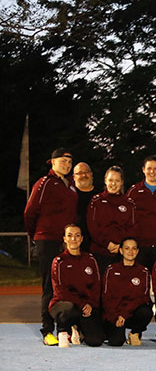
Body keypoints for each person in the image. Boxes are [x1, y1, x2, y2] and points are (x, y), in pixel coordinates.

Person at [24, 148, 78, 345]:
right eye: (62, 161)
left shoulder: (70, 186)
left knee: (68, 284)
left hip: (66, 242)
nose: (66, 165)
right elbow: (29, 212)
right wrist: (37, 236)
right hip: (47, 240)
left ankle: (66, 325)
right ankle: (48, 331)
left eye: (69, 162)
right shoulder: (45, 183)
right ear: (53, 163)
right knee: (50, 286)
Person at [48, 224, 103, 347]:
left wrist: (90, 304)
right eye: (70, 235)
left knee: (96, 340)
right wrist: (82, 304)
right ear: (64, 239)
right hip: (64, 305)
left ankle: (77, 328)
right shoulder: (59, 261)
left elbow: (96, 285)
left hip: (86, 306)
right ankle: (63, 332)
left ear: (82, 239)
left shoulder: (90, 259)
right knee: (68, 308)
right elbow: (61, 291)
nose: (74, 239)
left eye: (77, 235)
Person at [102, 237, 153, 346]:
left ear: (138, 251)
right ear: (121, 251)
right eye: (127, 248)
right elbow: (106, 297)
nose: (130, 251)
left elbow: (142, 298)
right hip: (114, 314)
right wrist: (116, 316)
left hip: (130, 313)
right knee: (116, 342)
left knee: (146, 311)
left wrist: (124, 315)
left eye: (134, 248)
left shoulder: (143, 271)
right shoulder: (111, 270)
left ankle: (135, 332)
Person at [87, 166, 135, 272]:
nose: (113, 184)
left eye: (117, 181)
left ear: (121, 182)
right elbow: (92, 227)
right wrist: (107, 243)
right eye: (110, 180)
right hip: (99, 252)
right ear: (105, 180)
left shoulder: (128, 203)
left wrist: (120, 245)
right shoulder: (96, 201)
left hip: (120, 253)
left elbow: (130, 228)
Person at [73, 162, 99, 253]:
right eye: (79, 173)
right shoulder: (69, 195)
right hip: (75, 244)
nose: (84, 175)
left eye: (86, 172)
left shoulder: (101, 195)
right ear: (74, 177)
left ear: (91, 174)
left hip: (98, 245)